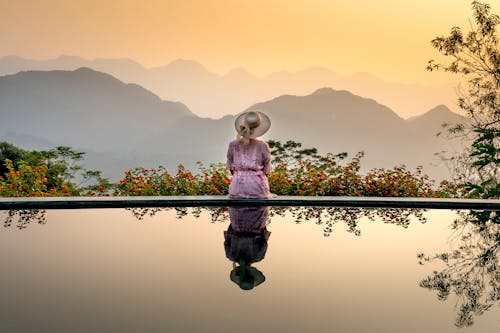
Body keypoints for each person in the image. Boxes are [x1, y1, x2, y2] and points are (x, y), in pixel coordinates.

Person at [226, 111, 275, 198]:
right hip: (257, 187)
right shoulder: (263, 145)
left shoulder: (233, 144)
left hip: (237, 187)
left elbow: (231, 168)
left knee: (237, 210)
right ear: (258, 128)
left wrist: (240, 175)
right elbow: (267, 171)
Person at [224, 206, 271, 290]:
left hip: (245, 223)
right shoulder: (258, 256)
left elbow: (228, 237)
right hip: (243, 223)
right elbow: (264, 237)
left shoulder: (231, 255)